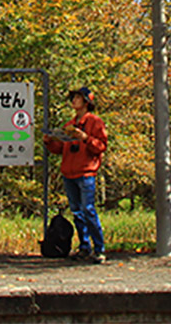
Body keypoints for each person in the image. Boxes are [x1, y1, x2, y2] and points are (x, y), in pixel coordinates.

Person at [46, 87, 110, 264]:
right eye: (72, 97)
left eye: (77, 97)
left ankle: (99, 249)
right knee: (77, 212)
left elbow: (101, 146)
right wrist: (50, 142)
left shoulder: (96, 123)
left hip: (86, 172)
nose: (74, 100)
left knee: (88, 210)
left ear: (87, 102)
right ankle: (84, 247)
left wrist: (85, 138)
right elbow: (61, 149)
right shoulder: (69, 125)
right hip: (69, 173)